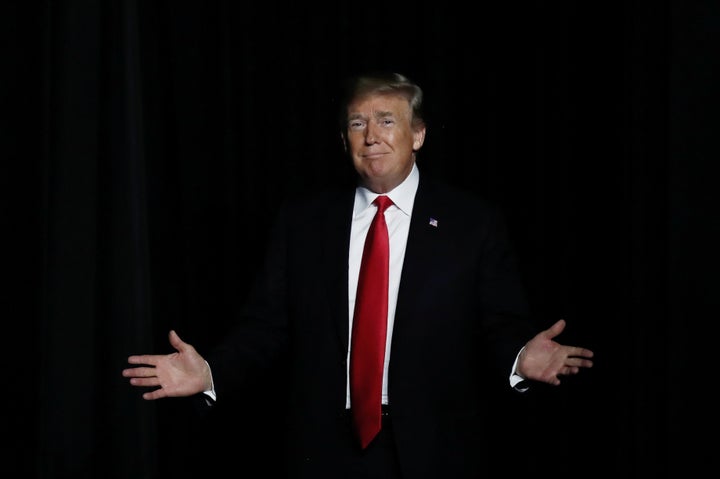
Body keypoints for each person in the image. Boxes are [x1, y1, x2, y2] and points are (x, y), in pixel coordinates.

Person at [123, 71, 594, 478]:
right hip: (325, 452)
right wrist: (210, 372)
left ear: (419, 134)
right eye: (357, 122)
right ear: (344, 138)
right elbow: (265, 327)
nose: (372, 135)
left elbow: (497, 322)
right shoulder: (303, 223)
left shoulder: (472, 224)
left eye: (387, 120)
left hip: (436, 452)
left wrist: (519, 356)